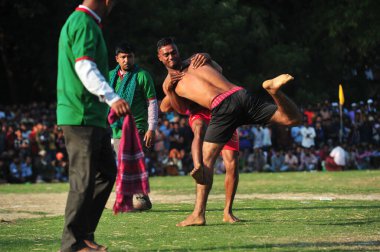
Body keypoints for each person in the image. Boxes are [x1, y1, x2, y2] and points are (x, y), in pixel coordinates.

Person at [157, 37, 302, 226]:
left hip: (223, 107)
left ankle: (198, 214)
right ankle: (274, 92)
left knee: (205, 164)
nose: (170, 56)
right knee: (291, 119)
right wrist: (206, 58)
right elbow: (214, 74)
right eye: (166, 54)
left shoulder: (191, 63)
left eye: (173, 52)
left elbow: (180, 107)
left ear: (178, 50)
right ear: (159, 57)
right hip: (241, 95)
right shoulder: (195, 60)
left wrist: (170, 89)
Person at [57, 0, 130, 251]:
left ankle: (84, 233)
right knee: (84, 179)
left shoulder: (89, 24)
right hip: (80, 115)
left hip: (92, 117)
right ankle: (72, 243)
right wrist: (113, 97)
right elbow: (84, 65)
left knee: (106, 174)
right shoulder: (83, 22)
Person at [109, 41, 158, 211]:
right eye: (123, 57)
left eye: (129, 56)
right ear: (117, 59)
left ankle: (139, 196)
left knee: (135, 164)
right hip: (116, 129)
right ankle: (128, 199)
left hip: (138, 128)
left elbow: (152, 102)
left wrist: (152, 127)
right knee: (120, 165)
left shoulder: (142, 75)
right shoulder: (110, 77)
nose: (126, 60)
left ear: (134, 57)